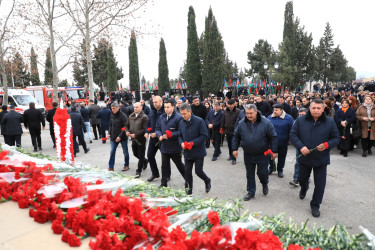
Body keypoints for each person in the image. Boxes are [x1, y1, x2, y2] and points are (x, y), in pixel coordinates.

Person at [290, 99, 340, 218]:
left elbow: (336, 138)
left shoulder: (329, 122)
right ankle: (304, 188)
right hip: (304, 158)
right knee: (302, 179)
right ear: (309, 108)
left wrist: (327, 145)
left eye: (318, 108)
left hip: (321, 159)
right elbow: (293, 134)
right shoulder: (301, 120)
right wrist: (301, 147)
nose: (316, 110)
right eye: (314, 108)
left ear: (323, 109)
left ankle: (315, 205)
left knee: (320, 184)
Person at [232, 104, 278, 201]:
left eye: (251, 113)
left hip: (262, 154)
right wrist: (234, 148)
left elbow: (273, 137)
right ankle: (251, 192)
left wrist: (274, 151)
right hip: (248, 154)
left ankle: (264, 183)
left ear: (256, 112)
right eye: (247, 113)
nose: (249, 115)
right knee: (249, 174)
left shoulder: (266, 123)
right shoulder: (242, 123)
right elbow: (236, 136)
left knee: (262, 173)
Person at [178, 103, 211, 195]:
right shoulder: (181, 122)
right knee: (187, 173)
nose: (183, 116)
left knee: (198, 171)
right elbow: (179, 135)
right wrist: (181, 143)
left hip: (198, 152)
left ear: (190, 112)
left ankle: (207, 180)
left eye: (184, 114)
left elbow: (204, 135)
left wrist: (193, 143)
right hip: (187, 152)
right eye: (181, 114)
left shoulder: (199, 121)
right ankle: (188, 193)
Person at [155, 99, 185, 187]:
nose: (166, 109)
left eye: (168, 107)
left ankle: (187, 179)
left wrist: (171, 135)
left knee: (179, 165)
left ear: (173, 107)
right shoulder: (162, 117)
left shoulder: (178, 117)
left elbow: (181, 131)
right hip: (164, 146)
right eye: (165, 107)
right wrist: (159, 135)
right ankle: (163, 183)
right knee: (164, 166)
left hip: (174, 146)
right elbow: (157, 129)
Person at [267, 103, 294, 177]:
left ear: (281, 110)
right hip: (271, 142)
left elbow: (292, 130)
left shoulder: (289, 118)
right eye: (274, 110)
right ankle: (271, 168)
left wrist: (290, 139)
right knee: (271, 156)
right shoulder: (270, 117)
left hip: (283, 142)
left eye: (276, 110)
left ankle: (280, 170)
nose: (274, 111)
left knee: (282, 157)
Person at [124, 102, 148, 178]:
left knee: (141, 155)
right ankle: (144, 160)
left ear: (141, 108)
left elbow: (145, 129)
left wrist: (136, 134)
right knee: (135, 153)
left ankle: (139, 170)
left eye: (137, 107)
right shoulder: (131, 115)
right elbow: (126, 125)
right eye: (134, 107)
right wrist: (127, 131)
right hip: (133, 139)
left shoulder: (144, 117)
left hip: (141, 139)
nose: (135, 109)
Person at [145, 96, 164, 182]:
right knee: (150, 155)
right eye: (153, 102)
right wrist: (146, 132)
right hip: (153, 139)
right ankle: (155, 173)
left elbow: (166, 126)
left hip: (162, 138)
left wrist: (157, 133)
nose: (154, 104)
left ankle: (167, 175)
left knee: (165, 158)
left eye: (156, 102)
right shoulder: (152, 112)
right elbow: (148, 123)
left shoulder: (165, 111)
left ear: (161, 102)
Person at [106, 102, 129, 171]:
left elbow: (126, 127)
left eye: (114, 108)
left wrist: (120, 136)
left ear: (118, 108)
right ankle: (111, 166)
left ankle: (126, 165)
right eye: (111, 108)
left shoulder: (123, 116)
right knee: (112, 151)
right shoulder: (111, 115)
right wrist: (109, 133)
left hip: (122, 137)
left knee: (125, 151)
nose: (112, 110)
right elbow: (110, 125)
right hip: (113, 136)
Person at [289, 108, 308, 187]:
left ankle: (306, 177)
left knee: (308, 163)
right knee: (298, 163)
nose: (301, 116)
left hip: (309, 146)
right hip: (300, 146)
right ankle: (296, 179)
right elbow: (293, 134)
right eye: (299, 115)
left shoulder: (311, 122)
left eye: (302, 114)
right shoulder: (296, 122)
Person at [221, 99, 240, 165]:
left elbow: (239, 121)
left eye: (231, 105)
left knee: (233, 145)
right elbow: (223, 120)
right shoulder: (225, 111)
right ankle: (230, 155)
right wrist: (222, 128)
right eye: (229, 104)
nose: (230, 106)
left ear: (234, 104)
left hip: (235, 131)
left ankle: (234, 158)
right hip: (227, 131)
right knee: (229, 144)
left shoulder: (238, 111)